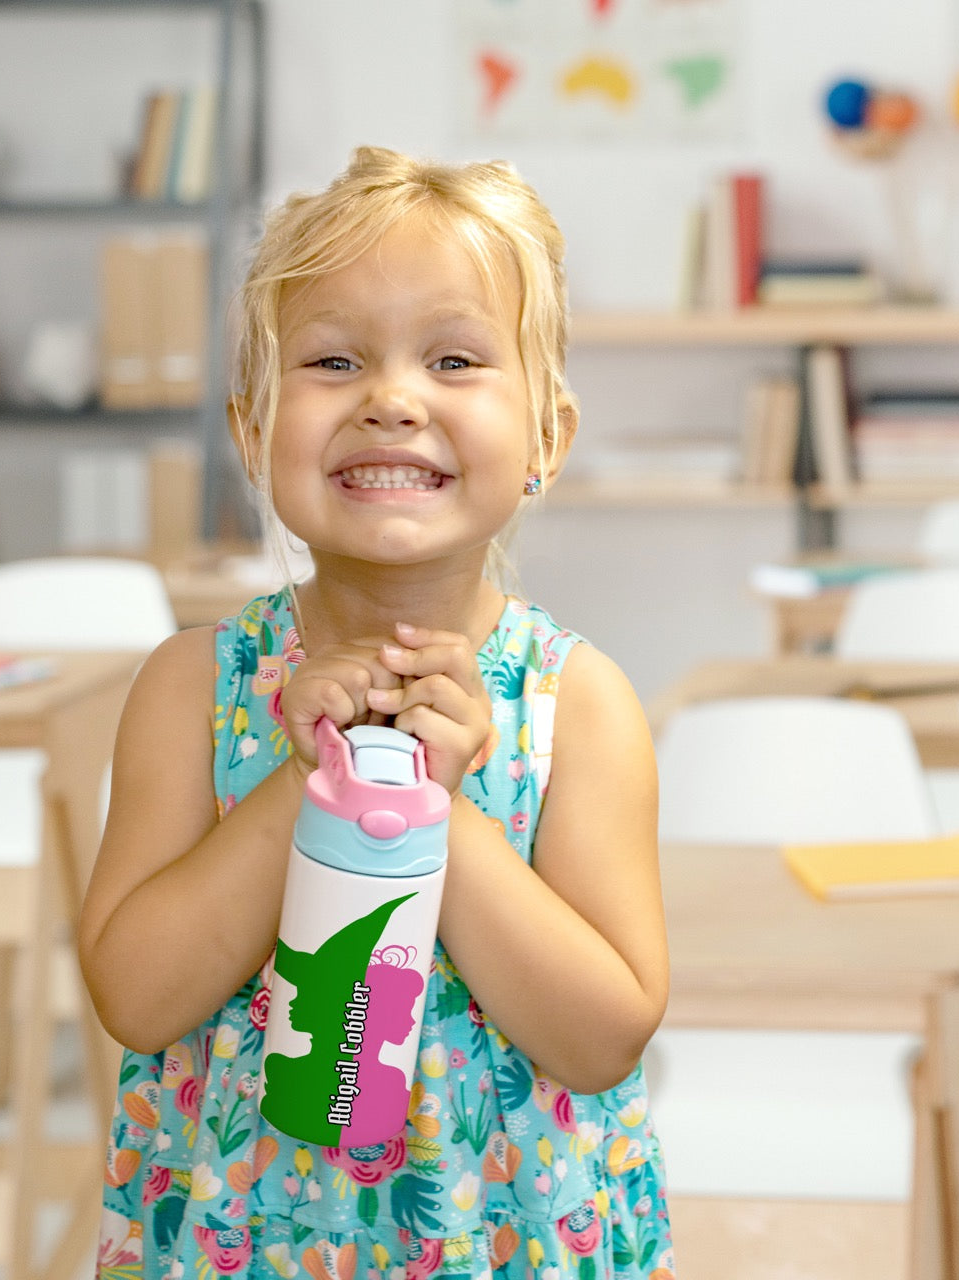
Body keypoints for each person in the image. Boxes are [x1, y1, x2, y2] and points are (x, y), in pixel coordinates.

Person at [78, 146, 674, 1280]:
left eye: (452, 358)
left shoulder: (575, 704)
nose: (391, 397)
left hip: (507, 1243)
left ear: (546, 436)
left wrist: (433, 810)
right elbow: (135, 997)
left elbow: (600, 1035)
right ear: (253, 433)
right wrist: (309, 787)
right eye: (333, 359)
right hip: (235, 1244)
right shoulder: (190, 686)